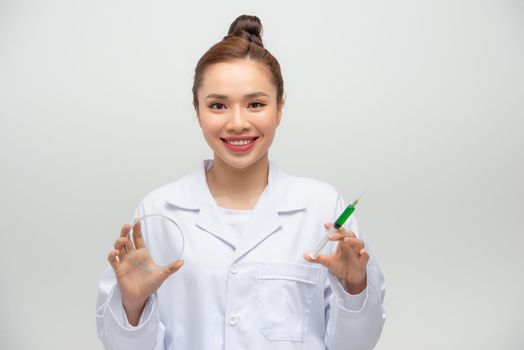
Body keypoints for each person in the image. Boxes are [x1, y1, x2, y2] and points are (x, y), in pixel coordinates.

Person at [96, 14, 386, 350]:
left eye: (256, 104)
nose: (237, 123)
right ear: (197, 110)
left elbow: (356, 346)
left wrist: (355, 288)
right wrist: (132, 306)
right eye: (218, 105)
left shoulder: (322, 208)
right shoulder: (159, 212)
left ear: (279, 109)